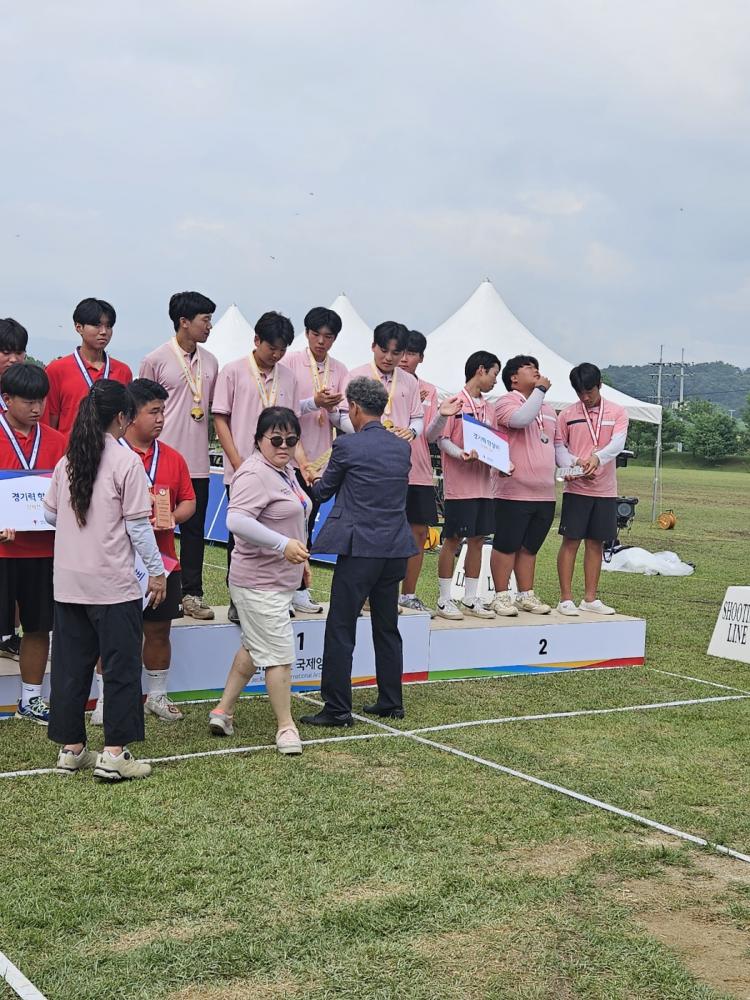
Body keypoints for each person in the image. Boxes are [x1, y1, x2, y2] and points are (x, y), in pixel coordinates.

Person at [44, 379, 167, 782]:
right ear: (122, 418)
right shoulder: (126, 462)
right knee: (121, 667)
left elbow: (49, 515)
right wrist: (156, 571)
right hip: (112, 585)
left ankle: (71, 749)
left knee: (70, 668)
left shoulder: (68, 461)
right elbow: (139, 527)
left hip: (69, 582)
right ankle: (114, 754)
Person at [300, 377, 417, 727]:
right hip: (394, 548)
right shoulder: (402, 447)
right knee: (387, 625)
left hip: (360, 548)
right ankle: (391, 700)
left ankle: (337, 707)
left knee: (341, 626)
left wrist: (308, 477)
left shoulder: (347, 446)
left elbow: (323, 492)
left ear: (353, 407)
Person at [90, 379, 196, 726]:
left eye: (163, 411)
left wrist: (171, 518)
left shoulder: (173, 458)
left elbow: (189, 501)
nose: (161, 418)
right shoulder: (109, 456)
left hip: (163, 561)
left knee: (159, 630)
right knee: (113, 634)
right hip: (118, 561)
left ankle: (157, 695)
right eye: (153, 411)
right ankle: (106, 699)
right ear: (130, 416)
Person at [208, 407, 310, 755]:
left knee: (254, 647)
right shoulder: (253, 473)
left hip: (279, 579)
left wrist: (299, 558)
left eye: (291, 440)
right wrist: (283, 545)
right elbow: (236, 521)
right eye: (276, 439)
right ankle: (286, 727)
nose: (284, 446)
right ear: (259, 440)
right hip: (257, 582)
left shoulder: (285, 471)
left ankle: (223, 711)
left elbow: (292, 521)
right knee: (279, 655)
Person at [213, 311, 307, 624]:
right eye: (271, 348)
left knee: (282, 528)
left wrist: (302, 463)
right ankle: (237, 598)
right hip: (245, 469)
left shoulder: (289, 377)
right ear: (256, 340)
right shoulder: (233, 371)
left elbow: (292, 426)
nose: (276, 355)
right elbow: (220, 419)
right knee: (241, 533)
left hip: (280, 472)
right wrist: (237, 463)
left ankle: (280, 594)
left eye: (282, 349)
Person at [139, 291, 219, 621]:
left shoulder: (211, 362)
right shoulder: (155, 359)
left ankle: (192, 594)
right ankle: (147, 587)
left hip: (197, 462)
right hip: (160, 463)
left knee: (194, 530)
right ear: (184, 322)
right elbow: (140, 408)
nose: (209, 326)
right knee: (152, 526)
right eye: (205, 320)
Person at [0, 364, 66, 723]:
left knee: (39, 626)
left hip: (43, 550)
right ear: (6, 399)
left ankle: (30, 699)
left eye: (41, 400)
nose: (37, 408)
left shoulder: (57, 442)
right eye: (28, 401)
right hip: (3, 550)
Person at [281, 306, 347, 614]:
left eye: (328, 336)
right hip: (285, 459)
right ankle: (279, 589)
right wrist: (314, 402)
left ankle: (300, 589)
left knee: (307, 523)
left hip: (319, 462)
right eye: (316, 334)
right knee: (282, 525)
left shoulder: (340, 369)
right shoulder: (290, 362)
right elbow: (280, 406)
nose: (321, 341)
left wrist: (331, 409)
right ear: (306, 334)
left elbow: (342, 416)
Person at [556, 363, 629, 616]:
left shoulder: (618, 412)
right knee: (570, 541)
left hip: (605, 490)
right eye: (580, 392)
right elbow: (559, 447)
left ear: (600, 385)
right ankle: (566, 599)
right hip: (576, 488)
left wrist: (597, 459)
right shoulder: (567, 414)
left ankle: (590, 598)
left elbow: (618, 443)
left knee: (596, 543)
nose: (585, 397)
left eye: (589, 391)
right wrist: (576, 462)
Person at [397, 329, 461, 616]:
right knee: (384, 532)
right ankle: (376, 595)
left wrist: (442, 416)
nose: (404, 358)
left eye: (411, 353)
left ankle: (408, 594)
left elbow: (432, 435)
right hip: (387, 471)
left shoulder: (429, 390)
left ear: (421, 358)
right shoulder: (383, 383)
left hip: (420, 470)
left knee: (419, 532)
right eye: (400, 352)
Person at [434, 351, 502, 621]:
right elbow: (442, 439)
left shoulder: (490, 409)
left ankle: (471, 598)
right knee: (452, 540)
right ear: (480, 370)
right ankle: (444, 598)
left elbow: (494, 445)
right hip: (460, 487)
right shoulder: (454, 402)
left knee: (478, 540)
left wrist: (503, 463)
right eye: (494, 374)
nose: (495, 381)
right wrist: (460, 453)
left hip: (485, 486)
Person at [490, 355, 557, 616]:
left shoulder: (548, 409)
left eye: (537, 367)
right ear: (514, 378)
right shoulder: (506, 401)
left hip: (545, 492)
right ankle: (501, 596)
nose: (536, 370)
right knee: (506, 544)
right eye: (528, 368)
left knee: (530, 547)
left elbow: (556, 445)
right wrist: (539, 390)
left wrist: (574, 465)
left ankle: (525, 594)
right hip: (514, 491)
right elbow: (520, 420)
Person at [44, 298, 132, 440]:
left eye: (109, 326)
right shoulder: (57, 370)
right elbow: (49, 422)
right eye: (97, 325)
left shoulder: (123, 371)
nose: (104, 332)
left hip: (111, 451)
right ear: (79, 327)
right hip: (71, 450)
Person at [0, 317, 30, 660]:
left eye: (19, 352)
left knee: (20, 575)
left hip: (23, 503)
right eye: (5, 351)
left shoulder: (29, 394)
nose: (13, 359)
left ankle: (9, 634)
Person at [341, 321, 423, 441]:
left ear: (403, 353)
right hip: (364, 446)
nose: (388, 358)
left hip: (398, 447)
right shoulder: (355, 376)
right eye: (384, 351)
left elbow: (417, 418)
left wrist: (412, 432)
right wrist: (370, 434)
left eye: (395, 353)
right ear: (373, 346)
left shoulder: (410, 381)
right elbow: (343, 417)